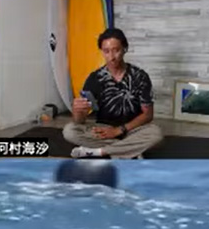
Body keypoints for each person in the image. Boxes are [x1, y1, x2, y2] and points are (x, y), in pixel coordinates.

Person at [64, 27, 165, 160]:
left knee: (156, 134)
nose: (111, 57)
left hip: (132, 129)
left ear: (124, 49)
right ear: (101, 52)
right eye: (106, 51)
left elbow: (148, 115)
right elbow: (80, 121)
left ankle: (99, 152)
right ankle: (130, 150)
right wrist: (77, 112)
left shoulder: (140, 76)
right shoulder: (95, 78)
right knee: (70, 131)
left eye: (116, 50)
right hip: (103, 129)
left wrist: (119, 130)